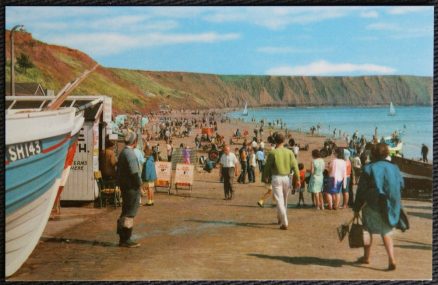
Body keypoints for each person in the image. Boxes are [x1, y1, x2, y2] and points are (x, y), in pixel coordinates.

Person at [353, 143, 404, 271]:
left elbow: (361, 190)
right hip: (389, 205)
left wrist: (356, 207)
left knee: (367, 230)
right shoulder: (395, 168)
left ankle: (366, 257)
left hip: (371, 204)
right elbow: (401, 185)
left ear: (373, 154)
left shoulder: (368, 168)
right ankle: (392, 259)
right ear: (386, 153)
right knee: (386, 232)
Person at [263, 132, 300, 230]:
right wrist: (298, 179)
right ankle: (280, 218)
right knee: (284, 200)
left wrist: (264, 177)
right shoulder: (290, 152)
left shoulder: (273, 152)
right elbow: (295, 166)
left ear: (275, 141)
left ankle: (284, 222)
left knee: (279, 200)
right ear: (284, 141)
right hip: (286, 178)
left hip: (276, 178)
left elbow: (267, 167)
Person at [116, 131, 142, 248]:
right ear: (135, 142)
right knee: (130, 214)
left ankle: (122, 238)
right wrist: (139, 185)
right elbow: (135, 173)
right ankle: (127, 239)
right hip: (131, 188)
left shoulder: (123, 153)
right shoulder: (130, 154)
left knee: (125, 212)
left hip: (125, 187)